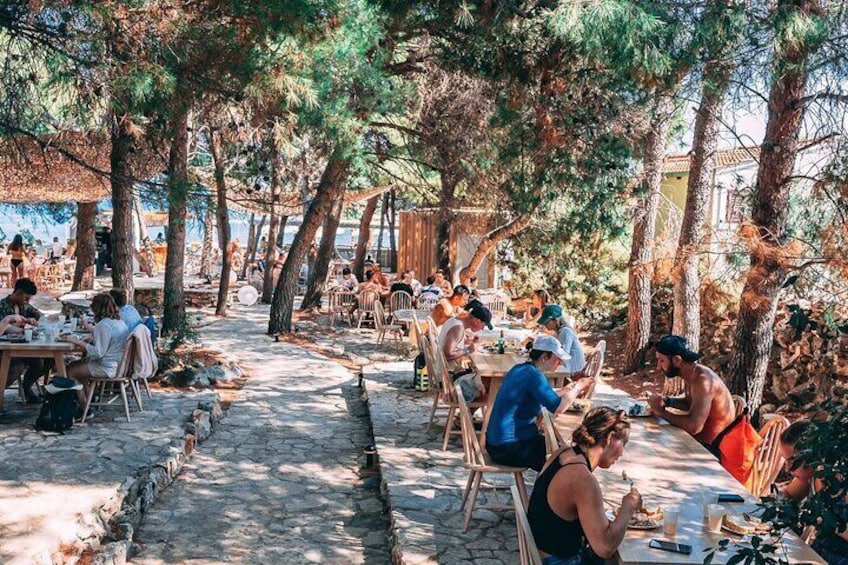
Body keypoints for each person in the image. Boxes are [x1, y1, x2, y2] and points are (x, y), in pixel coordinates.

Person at [645, 335, 761, 489]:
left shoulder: (702, 380)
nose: (659, 366)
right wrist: (667, 402)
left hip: (717, 451)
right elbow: (691, 403)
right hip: (703, 445)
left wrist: (660, 412)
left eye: (661, 360)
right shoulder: (692, 373)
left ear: (677, 360)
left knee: (660, 456)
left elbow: (694, 426)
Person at [528, 407, 641, 564]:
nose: (622, 453)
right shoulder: (583, 480)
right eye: (623, 443)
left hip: (541, 554)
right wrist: (628, 508)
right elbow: (605, 548)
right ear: (610, 437)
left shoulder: (562, 453)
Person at [486, 334, 594, 471]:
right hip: (508, 448)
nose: (560, 363)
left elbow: (541, 395)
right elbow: (558, 408)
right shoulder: (534, 376)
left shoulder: (520, 369)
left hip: (495, 444)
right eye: (557, 359)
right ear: (544, 357)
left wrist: (565, 390)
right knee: (568, 459)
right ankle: (549, 491)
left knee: (558, 449)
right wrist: (578, 387)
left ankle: (548, 487)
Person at [778, 420, 848, 564]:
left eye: (793, 460)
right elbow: (788, 495)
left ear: (811, 454)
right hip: (815, 553)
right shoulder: (811, 475)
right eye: (785, 460)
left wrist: (822, 519)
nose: (787, 468)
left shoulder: (839, 482)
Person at [64, 293, 130, 406]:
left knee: (70, 371)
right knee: (79, 366)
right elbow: (107, 336)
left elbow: (98, 352)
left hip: (107, 367)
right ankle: (89, 399)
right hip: (119, 365)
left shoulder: (103, 325)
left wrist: (78, 342)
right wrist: (91, 330)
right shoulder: (118, 322)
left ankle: (83, 406)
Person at [0, 278, 44, 402]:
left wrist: (34, 319)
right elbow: (5, 328)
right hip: (6, 349)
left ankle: (27, 386)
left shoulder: (24, 305)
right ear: (18, 293)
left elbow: (38, 313)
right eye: (26, 298)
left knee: (47, 359)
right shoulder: (2, 306)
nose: (27, 301)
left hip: (22, 347)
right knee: (20, 366)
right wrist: (21, 327)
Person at [538, 305, 586, 373]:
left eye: (547, 322)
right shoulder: (559, 331)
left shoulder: (566, 331)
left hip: (574, 372)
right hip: (567, 368)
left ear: (556, 320)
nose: (545, 325)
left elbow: (562, 355)